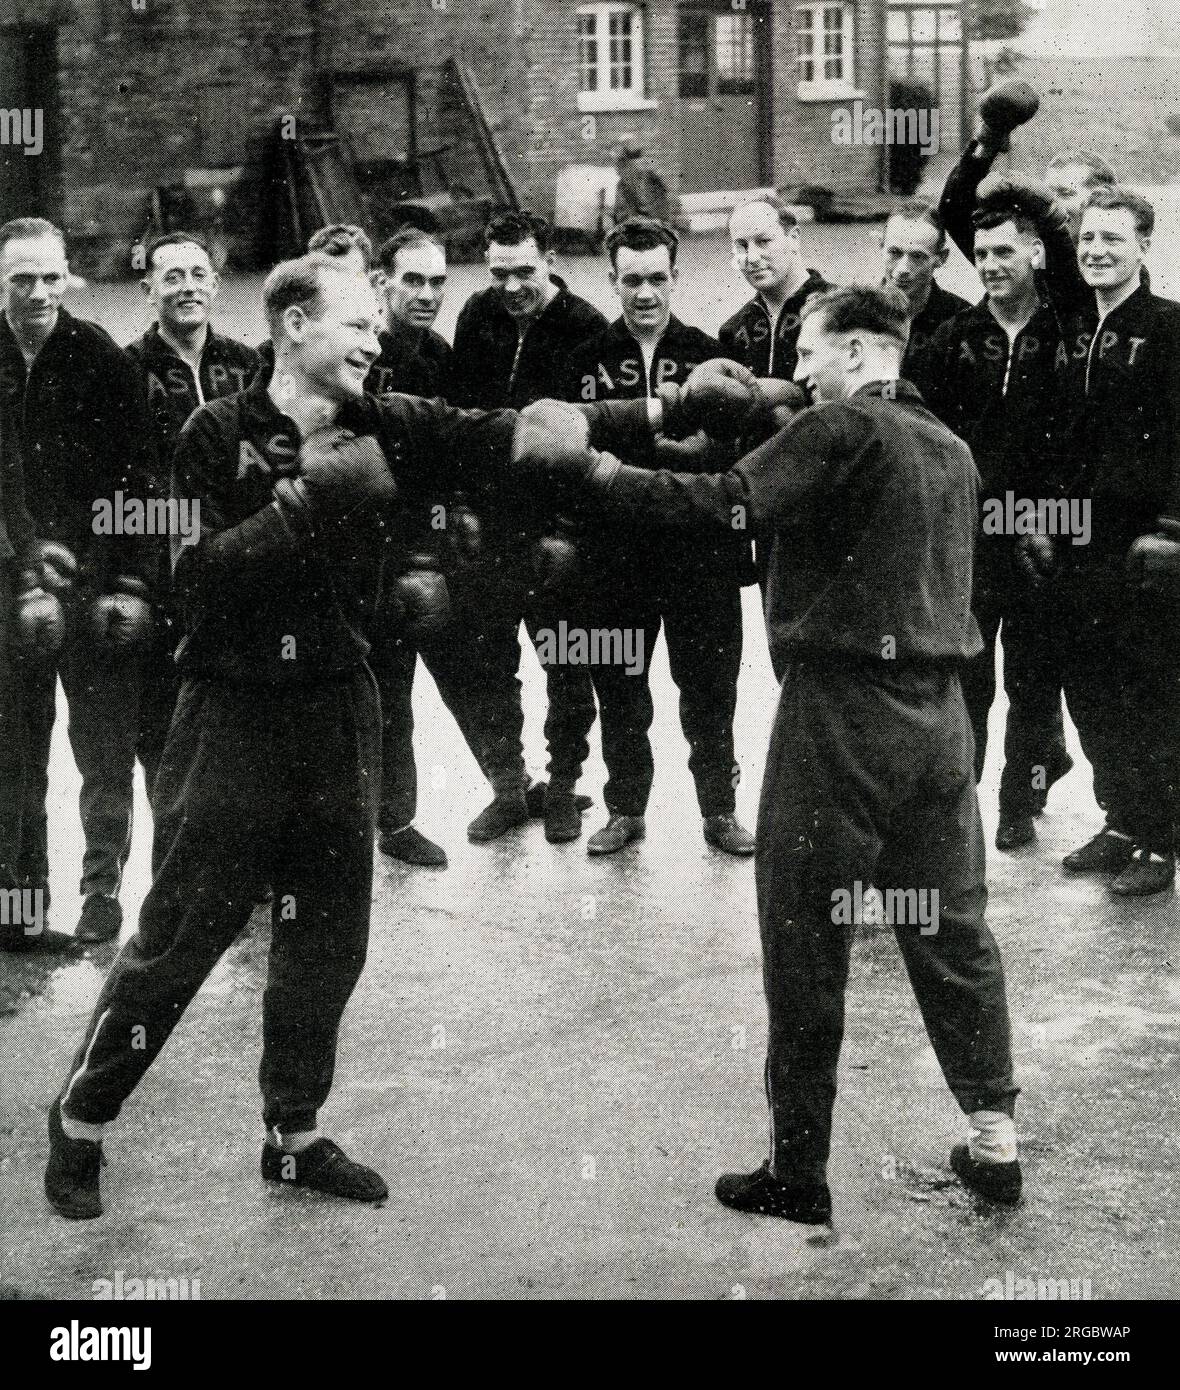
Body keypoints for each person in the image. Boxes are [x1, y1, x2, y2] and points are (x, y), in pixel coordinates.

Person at [42, 249, 750, 1221]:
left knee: (326, 936)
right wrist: (301, 505)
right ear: (294, 326)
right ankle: (82, 1118)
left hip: (340, 704)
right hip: (234, 710)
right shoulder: (215, 434)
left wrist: (667, 414)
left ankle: (292, 1135)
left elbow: (504, 430)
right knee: (181, 936)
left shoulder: (386, 419)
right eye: (358, 322)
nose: (379, 337)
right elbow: (188, 578)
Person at [536, 287, 1023, 1219]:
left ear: (855, 350)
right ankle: (996, 1143)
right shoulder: (952, 451)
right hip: (940, 722)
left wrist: (592, 471)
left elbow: (720, 508)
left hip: (841, 718)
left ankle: (798, 1174)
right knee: (951, 930)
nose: (797, 372)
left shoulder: (840, 430)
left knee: (805, 939)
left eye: (810, 352)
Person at [564, 218, 755, 856]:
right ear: (611, 280)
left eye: (657, 278)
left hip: (698, 555)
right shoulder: (584, 358)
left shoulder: (711, 352)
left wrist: (706, 451)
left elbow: (744, 451)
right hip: (614, 559)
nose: (645, 293)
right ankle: (625, 809)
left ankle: (719, 811)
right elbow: (566, 452)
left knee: (709, 689)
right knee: (619, 686)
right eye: (632, 280)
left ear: (675, 277)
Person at [0, 217, 157, 946]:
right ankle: (21, 915)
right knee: (15, 755)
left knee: (103, 749)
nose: (37, 292)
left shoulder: (96, 355)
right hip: (11, 591)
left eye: (50, 277)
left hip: (91, 586)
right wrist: (25, 554)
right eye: (20, 278)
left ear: (70, 277)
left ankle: (101, 897)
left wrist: (117, 574)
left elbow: (137, 474)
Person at [909, 185, 1075, 852]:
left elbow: (1081, 439)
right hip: (970, 541)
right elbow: (924, 428)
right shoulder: (956, 338)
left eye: (1004, 251)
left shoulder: (1069, 329)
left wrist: (1050, 518)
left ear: (1036, 254)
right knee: (967, 682)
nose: (991, 264)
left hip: (1040, 535)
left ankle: (1020, 800)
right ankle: (960, 803)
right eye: (980, 254)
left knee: (1035, 680)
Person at [448, 211, 603, 844]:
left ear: (548, 261)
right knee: (489, 661)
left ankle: (563, 785)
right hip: (488, 525)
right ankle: (509, 789)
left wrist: (568, 527)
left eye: (525, 272)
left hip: (555, 528)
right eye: (499, 272)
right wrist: (459, 503)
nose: (511, 287)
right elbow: (456, 418)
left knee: (567, 662)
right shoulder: (476, 315)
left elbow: (591, 435)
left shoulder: (585, 327)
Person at [1054, 187, 1180, 896]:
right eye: (1088, 239)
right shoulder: (1073, 328)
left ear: (1144, 246)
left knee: (1150, 695)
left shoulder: (1169, 328)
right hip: (1078, 545)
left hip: (1140, 552)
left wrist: (1173, 533)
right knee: (1092, 693)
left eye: (1113, 239)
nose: (1098, 250)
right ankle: (1123, 822)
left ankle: (1163, 842)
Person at [366, 227, 489, 867]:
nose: (428, 293)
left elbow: (459, 450)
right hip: (375, 551)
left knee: (472, 672)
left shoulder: (443, 356)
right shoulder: (362, 354)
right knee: (389, 696)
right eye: (412, 280)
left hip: (435, 544)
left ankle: (512, 786)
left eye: (438, 281)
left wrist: (455, 516)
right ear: (380, 281)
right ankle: (394, 820)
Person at [126, 231, 261, 802]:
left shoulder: (246, 362)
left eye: (198, 275)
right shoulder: (127, 368)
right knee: (169, 725)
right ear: (148, 287)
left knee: (247, 718)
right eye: (173, 276)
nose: (188, 288)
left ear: (215, 283)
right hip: (168, 569)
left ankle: (250, 867)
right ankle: (177, 865)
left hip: (241, 560)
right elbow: (124, 480)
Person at [879, 201, 971, 363]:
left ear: (941, 258)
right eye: (895, 252)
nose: (902, 269)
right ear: (881, 246)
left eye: (917, 256)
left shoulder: (963, 320)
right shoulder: (853, 312)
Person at [611, 136, 673, 225]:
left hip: (651, 226)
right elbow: (620, 213)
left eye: (620, 164)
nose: (617, 170)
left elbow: (658, 211)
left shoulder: (648, 179)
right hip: (636, 226)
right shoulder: (623, 185)